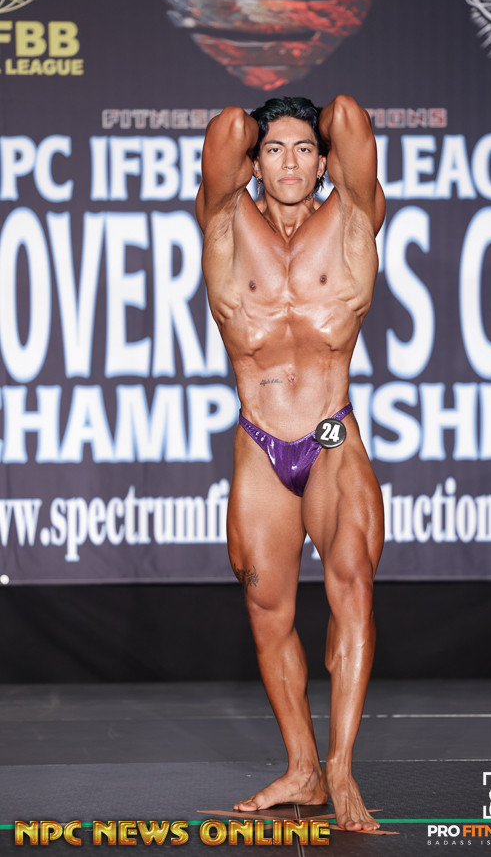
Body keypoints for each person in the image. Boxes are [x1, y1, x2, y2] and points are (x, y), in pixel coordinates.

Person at [196, 94, 385, 833]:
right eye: (274, 150)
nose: (290, 163)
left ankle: (341, 766)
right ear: (253, 164)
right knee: (267, 611)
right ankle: (302, 767)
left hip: (331, 435)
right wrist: (262, 131)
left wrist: (316, 130)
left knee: (353, 587)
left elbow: (348, 116)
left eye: (305, 149)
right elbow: (228, 128)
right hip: (260, 442)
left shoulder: (356, 215)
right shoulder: (222, 219)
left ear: (325, 161)